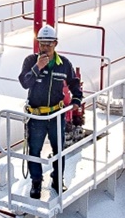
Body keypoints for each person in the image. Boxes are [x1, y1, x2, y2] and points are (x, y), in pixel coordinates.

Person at [18, 24, 83, 199]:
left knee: (58, 149)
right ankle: (36, 182)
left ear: (55, 43)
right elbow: (24, 82)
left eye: (48, 44)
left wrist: (77, 99)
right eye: (42, 43)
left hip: (56, 116)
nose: (45, 47)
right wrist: (37, 67)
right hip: (36, 116)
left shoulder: (63, 64)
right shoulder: (30, 61)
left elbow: (74, 83)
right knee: (34, 150)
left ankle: (57, 179)